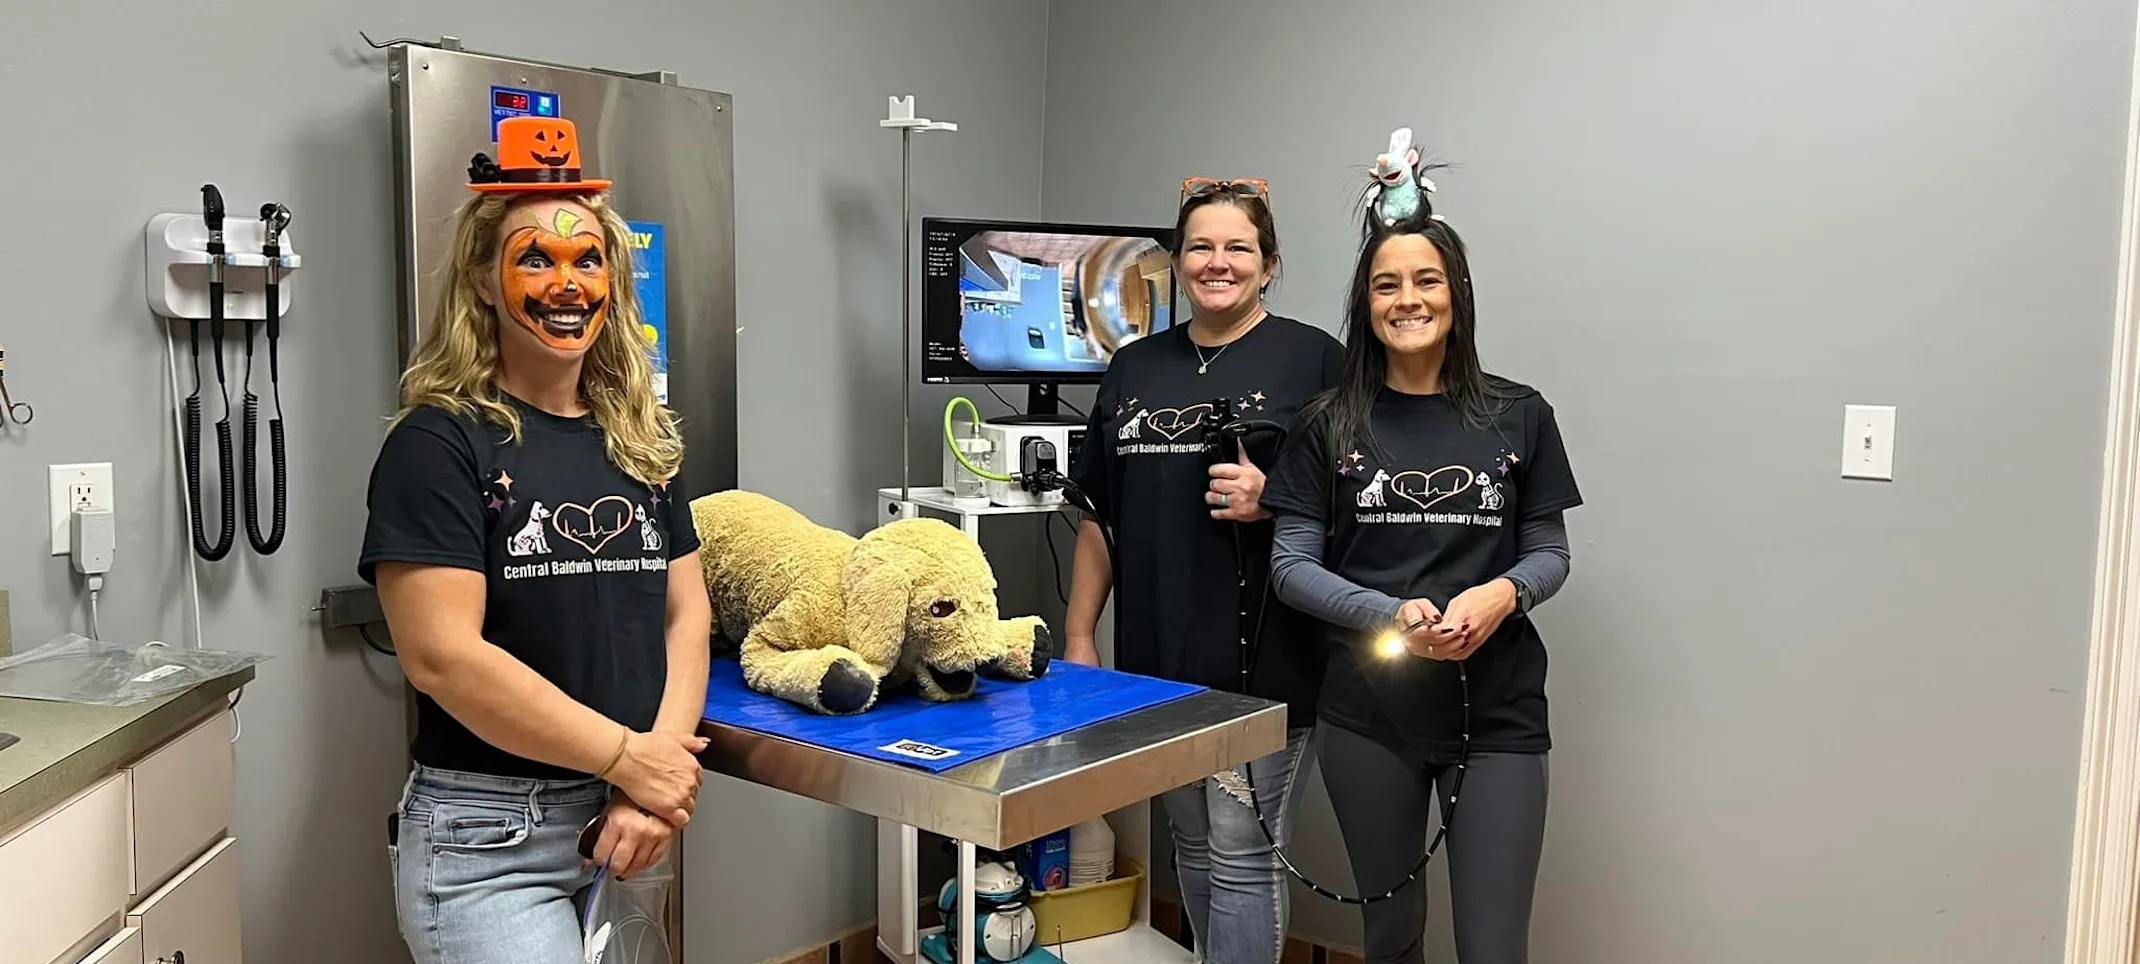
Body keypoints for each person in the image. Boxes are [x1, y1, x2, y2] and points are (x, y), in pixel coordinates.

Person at [359, 116, 714, 964]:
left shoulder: (640, 438)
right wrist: (635, 759)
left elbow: (686, 613)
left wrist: (651, 783)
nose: (567, 283)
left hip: (626, 820)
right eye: (536, 258)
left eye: (587, 259)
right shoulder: (439, 442)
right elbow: (443, 656)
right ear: (485, 279)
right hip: (489, 843)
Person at [1260, 144, 1582, 964]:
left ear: (1457, 293)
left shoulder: (1520, 414)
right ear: (1365, 303)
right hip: (1370, 717)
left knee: (1492, 945)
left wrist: (1500, 596)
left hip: (1499, 715)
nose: (1409, 299)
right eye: (1386, 284)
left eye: (1427, 280)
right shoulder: (1326, 423)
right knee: (1392, 937)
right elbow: (1291, 566)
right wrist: (1390, 614)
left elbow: (1549, 549)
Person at [1066, 176, 1344, 963]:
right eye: (1201, 247)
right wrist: (1081, 635)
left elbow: (1362, 502)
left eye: (1238, 248)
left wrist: (1276, 495)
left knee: (1242, 851)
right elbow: (1099, 515)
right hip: (1155, 660)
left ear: (1269, 264)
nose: (1218, 262)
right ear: (1177, 261)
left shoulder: (1313, 358)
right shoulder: (1135, 365)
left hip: (1266, 656)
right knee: (1189, 836)